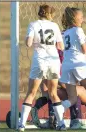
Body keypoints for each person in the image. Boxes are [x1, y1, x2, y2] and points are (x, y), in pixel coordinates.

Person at [56, 6, 86, 130]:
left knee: (72, 98)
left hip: (67, 66)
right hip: (78, 65)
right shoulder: (78, 30)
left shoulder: (65, 33)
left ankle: (59, 115)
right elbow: (84, 51)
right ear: (75, 18)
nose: (83, 19)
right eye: (81, 17)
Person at [18, 4, 64, 132]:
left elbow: (28, 43)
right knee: (53, 93)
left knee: (31, 93)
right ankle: (61, 124)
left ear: (39, 13)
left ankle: (22, 125)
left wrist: (30, 39)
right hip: (54, 61)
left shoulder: (33, 24)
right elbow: (60, 46)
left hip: (40, 60)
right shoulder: (54, 26)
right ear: (50, 14)